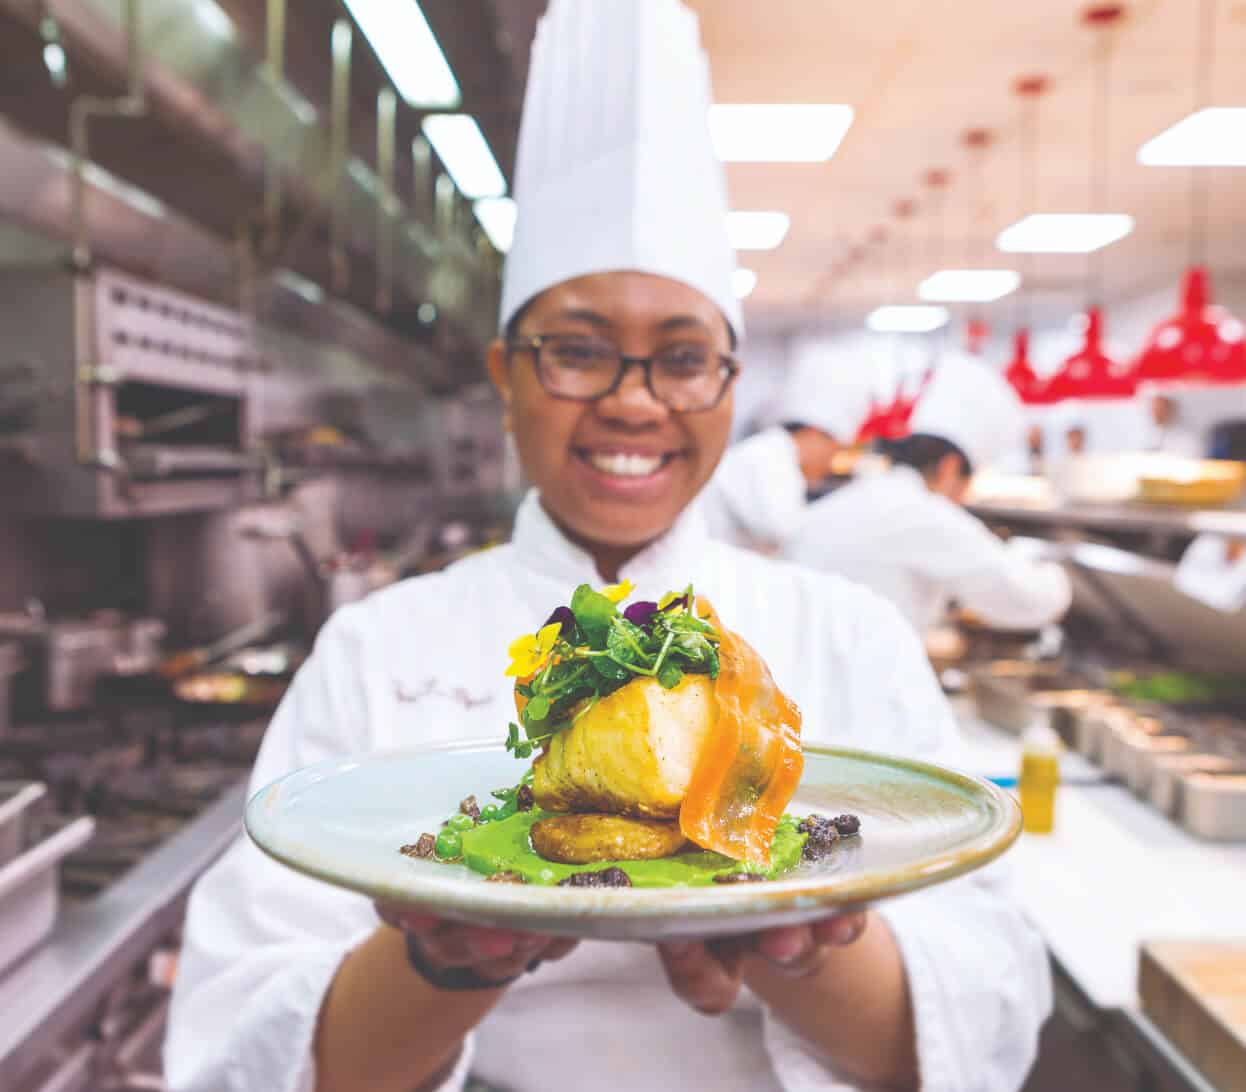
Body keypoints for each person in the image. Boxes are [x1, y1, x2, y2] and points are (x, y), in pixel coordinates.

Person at [164, 4, 1050, 1091]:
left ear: (730, 387)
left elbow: (985, 1025)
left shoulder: (847, 635)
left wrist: (791, 941)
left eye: (682, 358)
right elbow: (244, 1055)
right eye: (577, 350)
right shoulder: (374, 646)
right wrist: (447, 956)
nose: (635, 404)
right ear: (504, 375)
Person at [786, 354, 1072, 635]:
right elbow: (1025, 597)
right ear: (951, 467)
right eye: (967, 483)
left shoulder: (866, 495)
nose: (963, 497)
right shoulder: (925, 513)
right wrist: (1062, 577)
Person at [698, 352, 872, 553]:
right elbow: (784, 532)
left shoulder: (778, 456)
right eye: (834, 451)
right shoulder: (767, 457)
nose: (830, 464)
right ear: (814, 434)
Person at [1145, 393, 1203, 457]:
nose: (1155, 414)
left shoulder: (1186, 437)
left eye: (1160, 409)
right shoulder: (1153, 433)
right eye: (1153, 409)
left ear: (1169, 409)